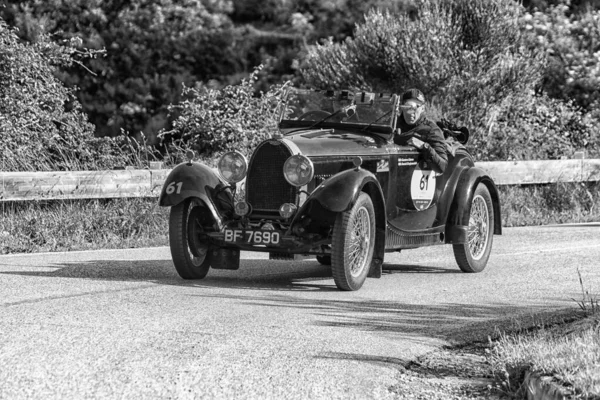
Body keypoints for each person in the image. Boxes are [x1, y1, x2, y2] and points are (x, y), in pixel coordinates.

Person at [394, 88, 448, 173]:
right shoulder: (391, 125)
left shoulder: (431, 130)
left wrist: (424, 146)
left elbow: (442, 167)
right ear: (402, 107)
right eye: (408, 106)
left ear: (423, 108)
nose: (411, 111)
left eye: (416, 107)